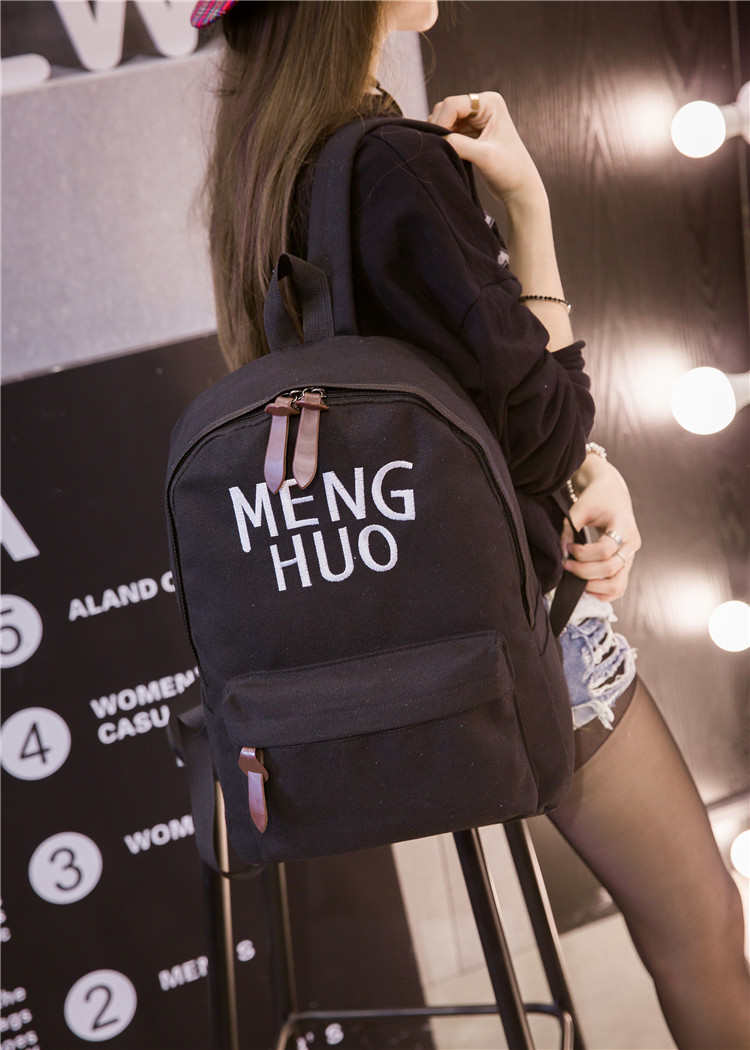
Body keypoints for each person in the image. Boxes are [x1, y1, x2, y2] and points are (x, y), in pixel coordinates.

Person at [192, 1, 750, 1045]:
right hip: (519, 641)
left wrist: (581, 466)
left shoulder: (263, 166)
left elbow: (454, 413)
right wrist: (528, 208)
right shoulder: (392, 163)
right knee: (703, 928)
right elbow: (540, 429)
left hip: (408, 660)